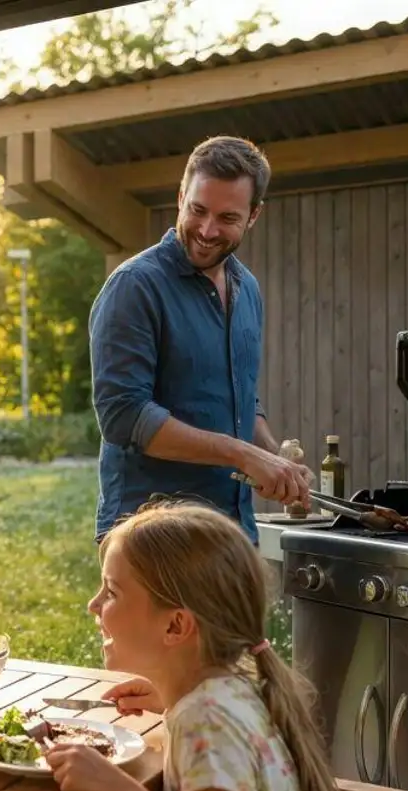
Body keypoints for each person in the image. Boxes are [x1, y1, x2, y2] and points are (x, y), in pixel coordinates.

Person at [44, 500, 343, 791]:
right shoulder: (234, 690)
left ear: (175, 626)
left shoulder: (205, 722)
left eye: (112, 592)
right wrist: (169, 698)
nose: (93, 605)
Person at [89, 135, 311, 543]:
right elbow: (124, 416)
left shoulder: (248, 290)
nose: (207, 230)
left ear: (254, 215)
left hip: (232, 528)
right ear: (180, 197)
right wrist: (244, 455)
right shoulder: (134, 287)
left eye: (227, 218)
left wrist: (274, 457)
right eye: (197, 210)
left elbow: (239, 397)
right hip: (151, 535)